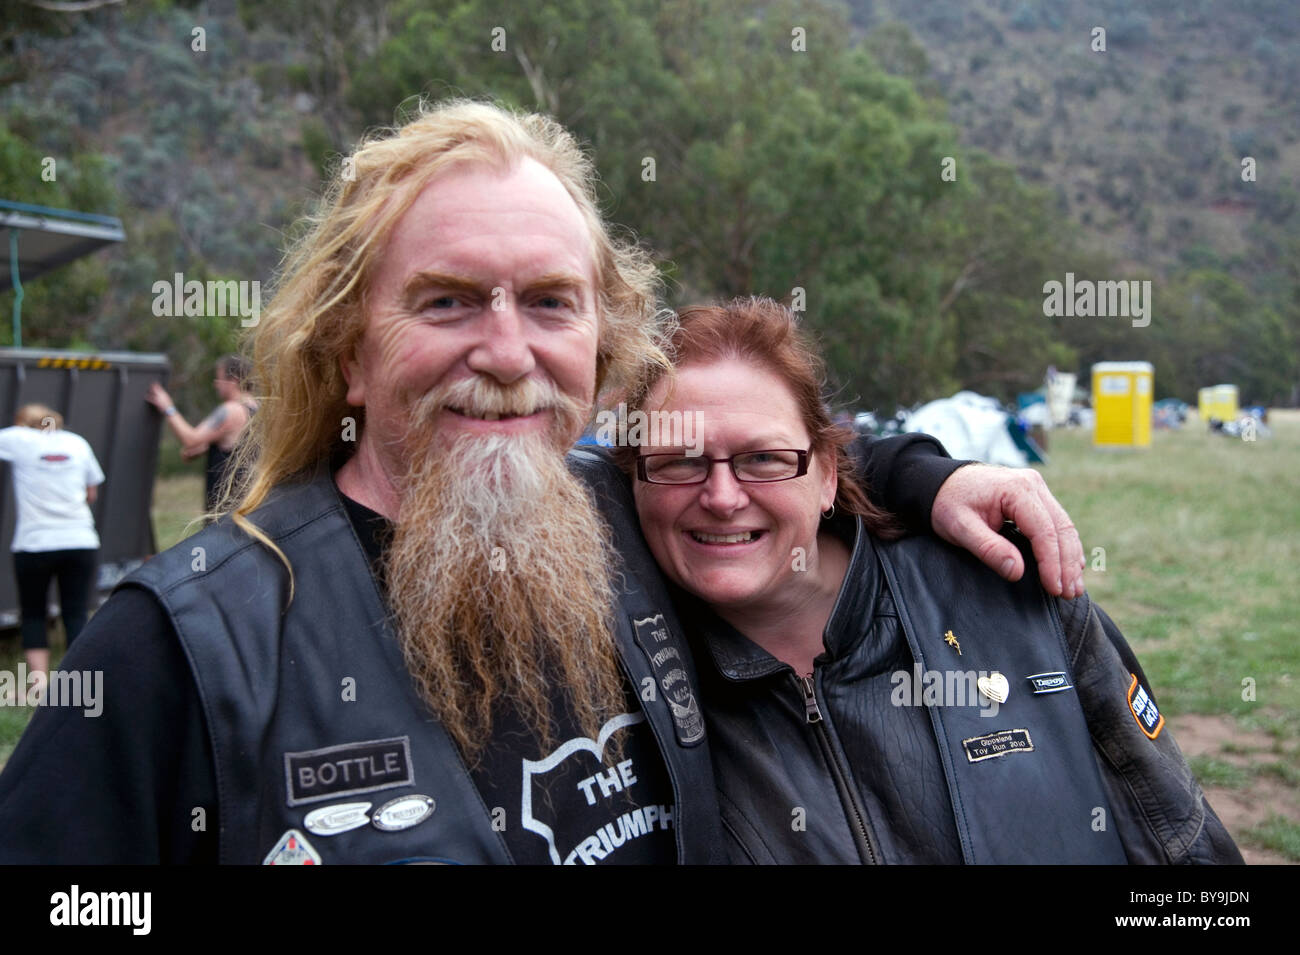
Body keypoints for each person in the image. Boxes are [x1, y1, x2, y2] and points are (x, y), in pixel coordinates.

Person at [0, 100, 1084, 865]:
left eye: (552, 303)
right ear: (346, 351)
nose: (509, 352)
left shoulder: (624, 524)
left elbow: (757, 452)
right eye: (447, 301)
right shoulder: (183, 644)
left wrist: (924, 473)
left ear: (602, 343)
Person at [623, 297, 1243, 864]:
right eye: (679, 460)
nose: (723, 497)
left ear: (829, 476)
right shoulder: (623, 683)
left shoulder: (1016, 595)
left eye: (764, 458)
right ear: (632, 479)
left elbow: (1182, 846)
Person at [0, 405, 104, 679]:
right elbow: (91, 493)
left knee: (34, 612)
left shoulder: (18, 438)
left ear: (23, 423)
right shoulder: (77, 443)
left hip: (34, 543)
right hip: (80, 540)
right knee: (75, 612)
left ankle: (39, 684)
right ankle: (76, 683)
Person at [146, 355, 258, 514]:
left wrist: (167, 407)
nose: (215, 385)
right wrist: (208, 446)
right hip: (249, 504)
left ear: (233, 381)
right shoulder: (258, 409)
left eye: (218, 379)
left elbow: (190, 440)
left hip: (224, 510)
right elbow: (236, 446)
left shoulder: (231, 411)